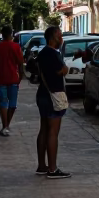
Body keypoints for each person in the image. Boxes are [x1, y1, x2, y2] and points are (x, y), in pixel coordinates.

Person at [35, 25, 71, 179]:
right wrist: (65, 69)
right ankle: (52, 168)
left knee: (44, 129)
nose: (61, 38)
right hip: (53, 96)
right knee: (53, 132)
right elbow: (61, 70)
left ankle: (42, 166)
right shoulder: (52, 54)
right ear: (52, 37)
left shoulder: (43, 53)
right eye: (59, 35)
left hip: (43, 94)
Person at [0, 26, 24, 137]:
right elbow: (20, 64)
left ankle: (5, 126)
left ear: (2, 34)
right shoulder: (16, 47)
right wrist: (20, 77)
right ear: (11, 34)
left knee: (3, 103)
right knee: (12, 105)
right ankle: (6, 126)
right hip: (13, 79)